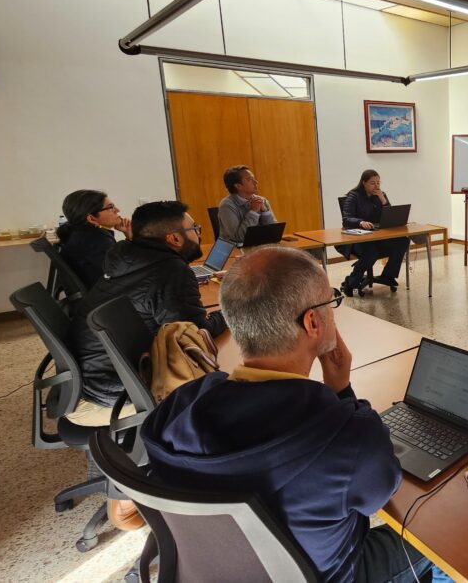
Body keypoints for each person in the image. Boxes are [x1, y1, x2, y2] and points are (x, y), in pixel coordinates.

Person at [141, 247, 438, 582]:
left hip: (216, 571)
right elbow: (380, 493)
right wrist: (343, 394)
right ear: (313, 322)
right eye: (331, 302)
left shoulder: (181, 405)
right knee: (440, 540)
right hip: (336, 574)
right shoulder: (347, 434)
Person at [66, 201, 226, 427]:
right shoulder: (170, 270)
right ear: (174, 238)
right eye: (194, 229)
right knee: (230, 381)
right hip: (115, 393)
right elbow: (194, 336)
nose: (198, 234)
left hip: (92, 378)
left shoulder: (126, 256)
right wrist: (230, 314)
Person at [340, 170, 408, 296]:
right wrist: (360, 222)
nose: (376, 186)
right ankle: (352, 281)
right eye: (372, 183)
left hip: (377, 236)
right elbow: (346, 218)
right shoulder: (353, 196)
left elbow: (390, 215)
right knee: (371, 252)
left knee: (402, 241)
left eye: (378, 182)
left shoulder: (381, 195)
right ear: (364, 182)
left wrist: (383, 201)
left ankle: (387, 276)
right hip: (357, 239)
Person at [57, 190, 132, 287]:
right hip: (107, 296)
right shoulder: (98, 239)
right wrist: (131, 237)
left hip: (94, 295)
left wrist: (128, 236)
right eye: (111, 207)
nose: (117, 210)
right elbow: (126, 271)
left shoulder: (79, 234)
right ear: (91, 219)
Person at [218, 165, 276, 244]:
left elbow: (274, 233)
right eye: (250, 179)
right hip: (236, 251)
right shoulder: (226, 206)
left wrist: (265, 212)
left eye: (253, 178)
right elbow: (239, 238)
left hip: (260, 246)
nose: (256, 182)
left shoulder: (262, 200)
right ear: (238, 186)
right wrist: (253, 212)